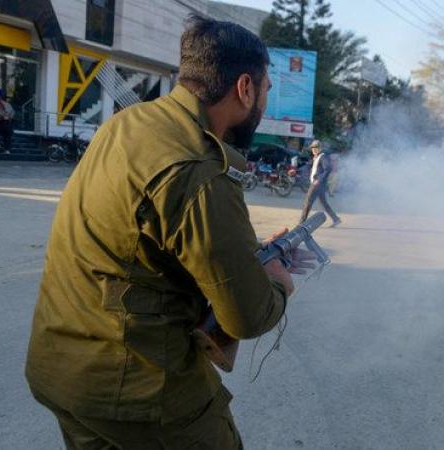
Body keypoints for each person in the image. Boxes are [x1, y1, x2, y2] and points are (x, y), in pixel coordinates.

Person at [25, 16, 313, 449]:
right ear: (244, 89)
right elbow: (246, 316)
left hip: (61, 369)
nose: (266, 102)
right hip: (135, 389)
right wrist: (278, 281)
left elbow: (149, 237)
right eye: (267, 89)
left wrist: (251, 250)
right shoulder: (200, 170)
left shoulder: (128, 124)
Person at [299, 139, 341, 226]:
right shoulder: (316, 157)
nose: (313, 150)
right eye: (312, 148)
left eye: (315, 148)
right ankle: (336, 219)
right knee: (323, 203)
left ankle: (301, 224)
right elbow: (307, 166)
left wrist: (319, 179)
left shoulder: (323, 156)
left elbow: (328, 168)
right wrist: (295, 170)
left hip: (317, 184)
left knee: (308, 202)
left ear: (320, 148)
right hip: (319, 185)